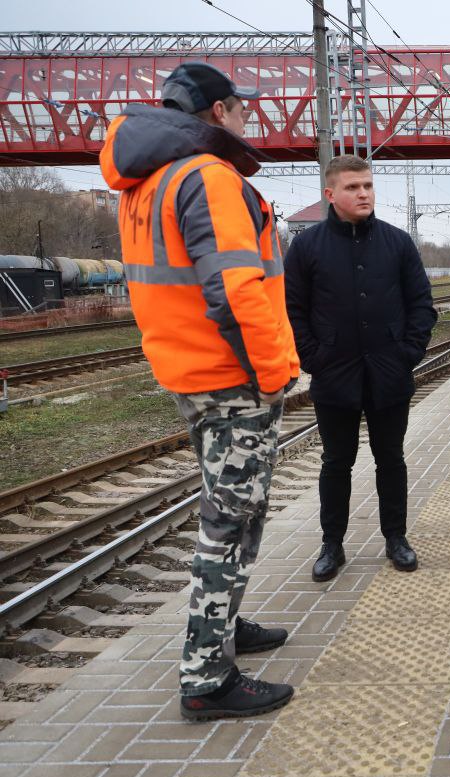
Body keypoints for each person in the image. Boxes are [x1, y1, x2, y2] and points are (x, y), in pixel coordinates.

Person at [99, 61, 298, 721]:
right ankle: (207, 677)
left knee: (238, 510)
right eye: (242, 106)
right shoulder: (208, 178)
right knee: (230, 519)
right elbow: (235, 289)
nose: (248, 116)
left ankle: (225, 621)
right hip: (231, 374)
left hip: (190, 369)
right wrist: (275, 374)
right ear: (219, 111)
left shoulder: (149, 182)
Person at [285, 155, 437, 583]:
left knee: (391, 460)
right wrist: (314, 358)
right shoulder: (307, 246)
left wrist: (407, 353)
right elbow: (292, 310)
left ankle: (396, 539)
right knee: (337, 462)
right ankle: (331, 544)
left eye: (368, 185)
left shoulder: (397, 242)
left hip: (389, 372)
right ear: (331, 194)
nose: (364, 193)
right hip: (335, 375)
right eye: (353, 187)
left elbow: (421, 305)